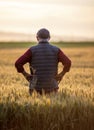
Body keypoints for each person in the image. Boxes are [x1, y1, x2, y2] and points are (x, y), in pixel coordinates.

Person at [15, 28, 71, 95]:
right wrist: (62, 74)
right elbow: (68, 62)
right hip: (52, 87)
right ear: (49, 37)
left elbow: (18, 63)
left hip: (35, 88)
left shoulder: (31, 50)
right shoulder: (56, 50)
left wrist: (25, 74)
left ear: (37, 38)